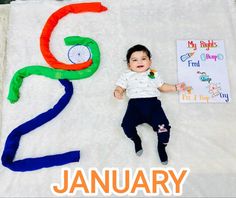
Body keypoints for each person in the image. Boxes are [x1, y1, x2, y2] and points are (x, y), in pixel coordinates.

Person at [114, 44, 186, 165]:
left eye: (143, 58)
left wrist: (175, 87)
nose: (139, 62)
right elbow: (120, 87)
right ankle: (136, 140)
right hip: (135, 107)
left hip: (153, 106)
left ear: (150, 61)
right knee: (126, 125)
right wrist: (118, 92)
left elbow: (162, 87)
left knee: (164, 128)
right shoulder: (126, 75)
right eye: (134, 60)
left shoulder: (153, 73)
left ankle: (161, 146)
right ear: (129, 65)